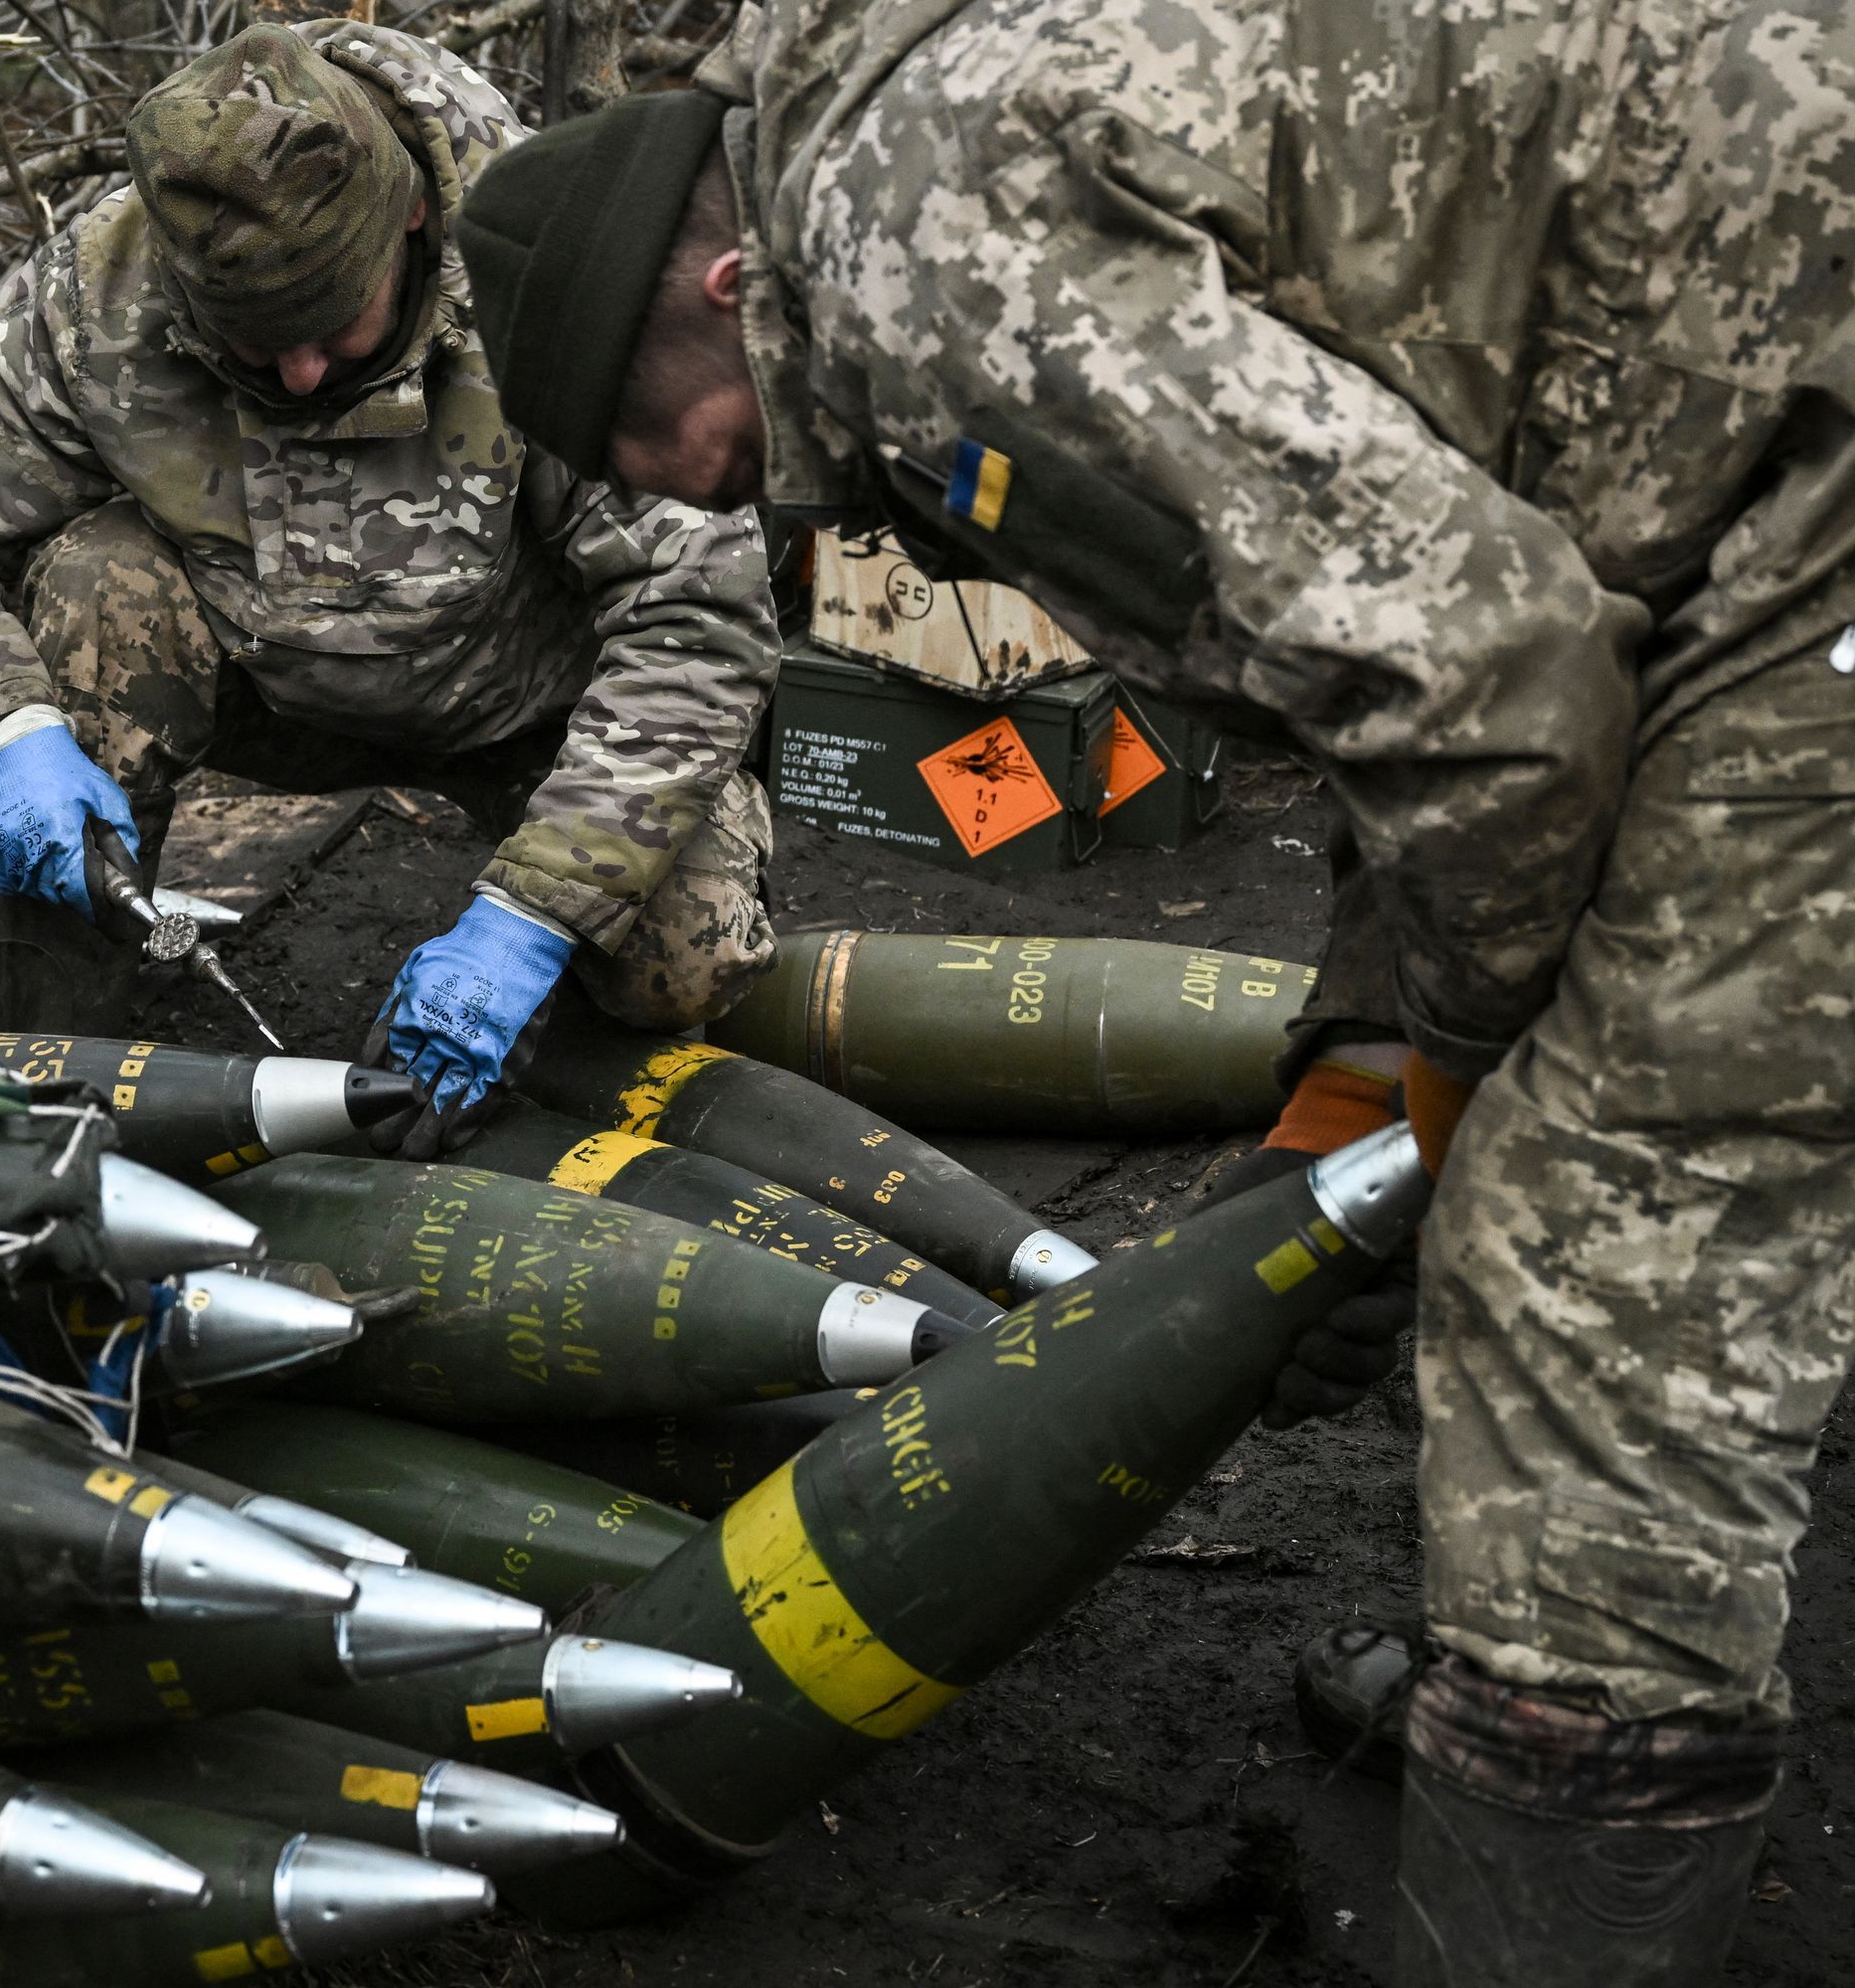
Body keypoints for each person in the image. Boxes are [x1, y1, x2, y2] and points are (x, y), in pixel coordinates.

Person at [449, 4, 1855, 1980]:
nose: (687, 490)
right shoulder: (915, 123)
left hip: (1799, 497)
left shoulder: (908, 270)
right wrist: (1366, 1053)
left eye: (639, 431)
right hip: (1724, 412)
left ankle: (1570, 1782)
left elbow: (1493, 694)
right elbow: (1401, 646)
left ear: (715, 279)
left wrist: (1462, 1062)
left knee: (1603, 1275)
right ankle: (1527, 1715)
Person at [0, 22, 781, 1124]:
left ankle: (532, 1067)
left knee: (686, 958)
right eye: (253, 340)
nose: (300, 370)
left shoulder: (554, 276)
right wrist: (3, 729)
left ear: (413, 216)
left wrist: (530, 917)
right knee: (101, 584)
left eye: (332, 322)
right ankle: (53, 1073)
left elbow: (699, 618)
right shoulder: (102, 289)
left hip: (533, 709)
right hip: (257, 678)